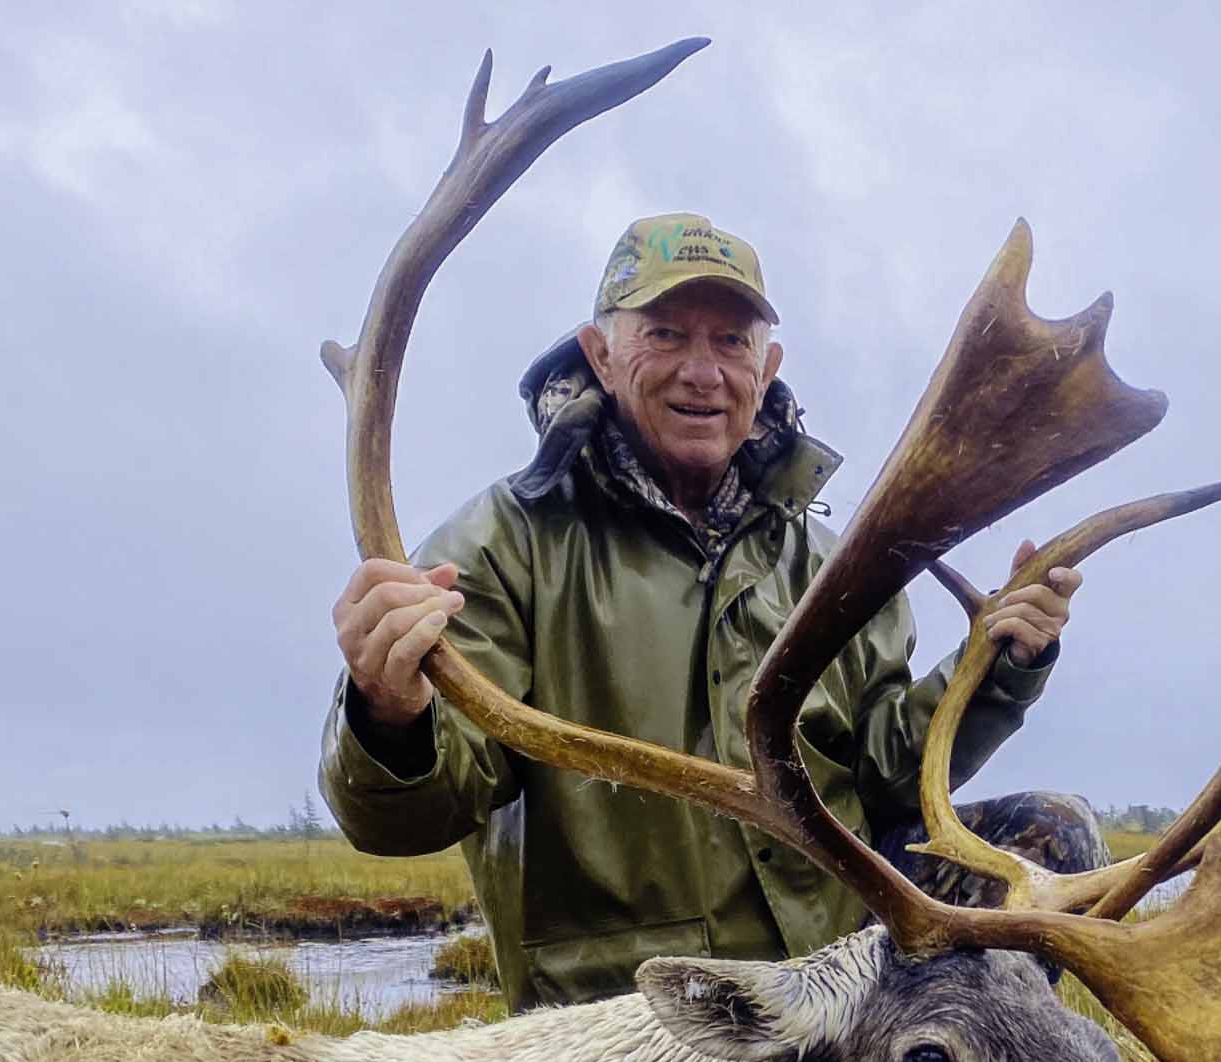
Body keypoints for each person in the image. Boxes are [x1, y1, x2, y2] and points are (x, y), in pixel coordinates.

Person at [320, 213, 1107, 1011]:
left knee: (1051, 837)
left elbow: (885, 776)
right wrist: (390, 714)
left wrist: (999, 666)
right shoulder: (502, 545)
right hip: (637, 1009)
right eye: (665, 334)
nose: (703, 371)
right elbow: (409, 819)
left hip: (832, 978)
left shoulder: (831, 562)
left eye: (731, 343)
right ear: (601, 355)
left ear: (766, 368)